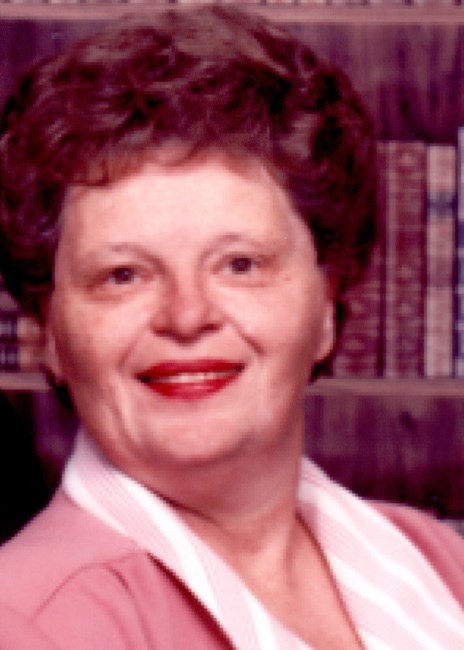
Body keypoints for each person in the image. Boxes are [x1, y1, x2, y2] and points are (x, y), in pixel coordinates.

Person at [0, 6, 463, 648]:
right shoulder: (28, 620)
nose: (187, 316)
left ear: (326, 307)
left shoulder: (438, 562)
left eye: (240, 265)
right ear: (48, 332)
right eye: (123, 275)